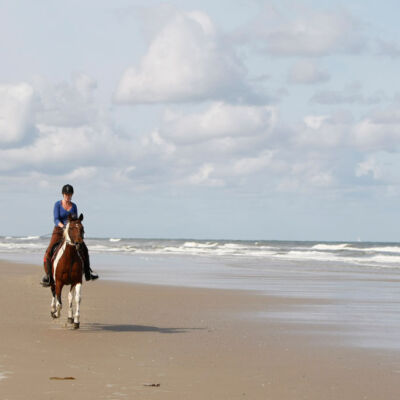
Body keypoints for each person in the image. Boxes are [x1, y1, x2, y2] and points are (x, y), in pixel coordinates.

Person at [41, 184, 98, 287]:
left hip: (71, 232)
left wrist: (73, 228)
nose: (68, 196)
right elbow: (56, 219)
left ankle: (88, 273)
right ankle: (48, 276)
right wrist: (63, 226)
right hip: (59, 230)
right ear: (63, 194)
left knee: (84, 248)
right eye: (66, 194)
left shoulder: (74, 206)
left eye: (70, 194)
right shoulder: (57, 205)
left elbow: (75, 220)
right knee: (49, 251)